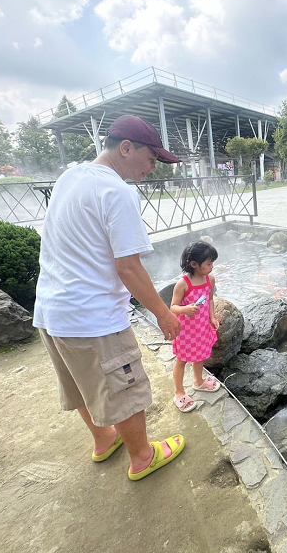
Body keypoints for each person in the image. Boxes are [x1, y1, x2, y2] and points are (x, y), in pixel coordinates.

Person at [34, 114, 186, 481]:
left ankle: (104, 440)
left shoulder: (70, 177)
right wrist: (165, 315)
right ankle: (142, 457)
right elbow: (129, 268)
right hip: (93, 317)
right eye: (152, 159)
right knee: (124, 385)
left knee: (80, 382)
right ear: (126, 148)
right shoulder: (118, 192)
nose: (154, 168)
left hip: (51, 311)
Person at [169, 241, 221, 412]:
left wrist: (212, 317)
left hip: (202, 328)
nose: (212, 266)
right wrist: (186, 309)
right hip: (186, 331)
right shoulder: (183, 284)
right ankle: (179, 392)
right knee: (182, 360)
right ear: (194, 264)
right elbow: (173, 307)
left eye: (212, 262)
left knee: (200, 356)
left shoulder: (209, 280)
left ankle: (198, 382)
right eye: (209, 263)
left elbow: (211, 299)